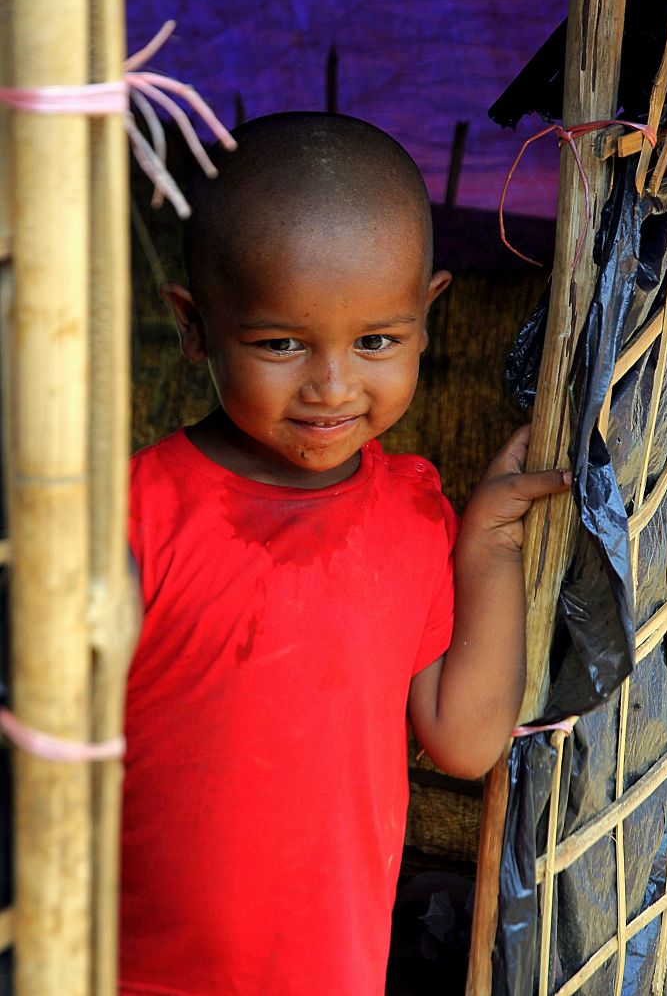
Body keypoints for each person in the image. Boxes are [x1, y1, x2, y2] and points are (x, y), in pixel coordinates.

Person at [120, 112, 570, 996]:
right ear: (196, 324)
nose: (332, 385)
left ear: (427, 316)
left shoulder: (410, 513)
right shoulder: (132, 515)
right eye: (281, 342)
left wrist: (486, 544)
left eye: (375, 341)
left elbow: (465, 738)